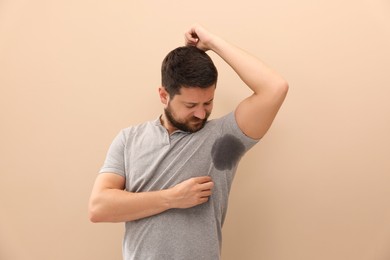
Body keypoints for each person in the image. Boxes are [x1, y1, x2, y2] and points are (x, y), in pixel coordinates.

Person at [88, 24, 288, 260]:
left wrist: (212, 43)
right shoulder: (129, 139)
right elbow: (99, 207)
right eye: (191, 106)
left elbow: (275, 88)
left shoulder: (222, 139)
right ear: (164, 96)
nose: (202, 114)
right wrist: (173, 198)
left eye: (208, 103)